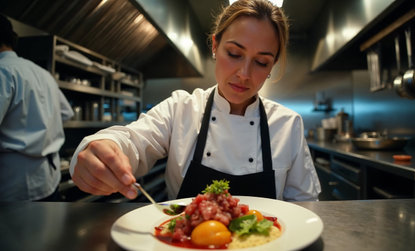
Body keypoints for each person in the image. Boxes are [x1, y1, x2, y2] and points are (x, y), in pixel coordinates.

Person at [69, 0, 321, 201]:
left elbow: (305, 208)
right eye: (234, 53)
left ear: (271, 66)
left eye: (261, 62)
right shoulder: (181, 108)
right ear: (215, 45)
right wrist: (101, 147)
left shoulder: (288, 125)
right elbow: (132, 140)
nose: (244, 74)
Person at [0, 14, 74, 201]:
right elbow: (67, 112)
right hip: (48, 176)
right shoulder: (41, 72)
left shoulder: (3, 71)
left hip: (14, 182)